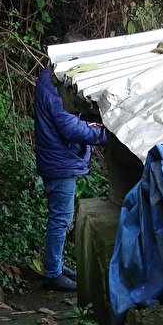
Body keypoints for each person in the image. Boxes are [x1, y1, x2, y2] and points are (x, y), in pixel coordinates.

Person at [33, 32, 108, 292]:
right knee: (61, 218)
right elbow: (68, 127)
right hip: (59, 161)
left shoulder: (54, 78)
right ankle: (52, 273)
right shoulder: (54, 83)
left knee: (61, 217)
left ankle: (55, 264)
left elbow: (71, 120)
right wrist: (104, 134)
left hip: (60, 158)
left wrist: (88, 124)